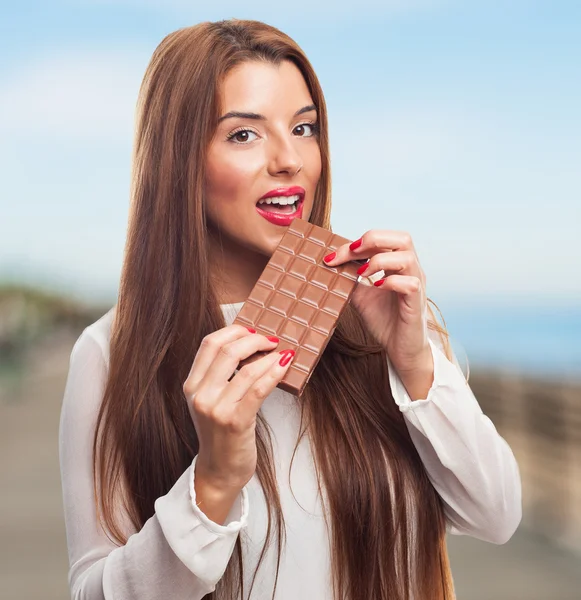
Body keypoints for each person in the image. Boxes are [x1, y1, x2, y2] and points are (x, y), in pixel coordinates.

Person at [58, 18, 522, 600]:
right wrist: (214, 480)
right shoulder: (110, 354)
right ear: (179, 161)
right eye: (244, 135)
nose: (289, 160)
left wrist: (417, 368)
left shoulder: (393, 319)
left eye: (304, 128)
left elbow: (496, 516)